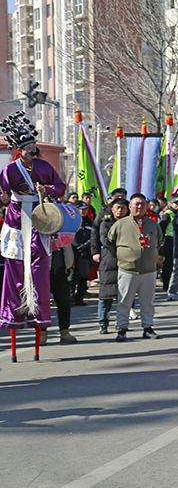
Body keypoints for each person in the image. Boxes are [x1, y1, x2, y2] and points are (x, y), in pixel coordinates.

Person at [0, 111, 66, 350]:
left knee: (39, 267)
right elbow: (2, 194)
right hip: (17, 220)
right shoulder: (9, 170)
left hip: (40, 219)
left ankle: (40, 316)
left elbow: (60, 187)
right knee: (15, 268)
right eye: (28, 147)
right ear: (19, 150)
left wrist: (46, 187)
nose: (32, 150)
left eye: (33, 146)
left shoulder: (44, 166)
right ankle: (14, 313)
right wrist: (4, 197)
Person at [106, 193, 163, 341]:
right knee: (124, 301)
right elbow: (110, 243)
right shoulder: (120, 224)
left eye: (142, 204)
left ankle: (148, 328)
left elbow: (160, 242)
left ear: (147, 206)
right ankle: (122, 328)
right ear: (130, 207)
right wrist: (124, 256)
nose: (139, 207)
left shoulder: (153, 224)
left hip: (149, 270)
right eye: (136, 204)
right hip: (127, 270)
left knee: (148, 302)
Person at [96, 198, 128, 333]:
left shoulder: (131, 223)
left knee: (124, 296)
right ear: (112, 209)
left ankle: (121, 323)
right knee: (105, 296)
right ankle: (103, 323)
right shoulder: (105, 222)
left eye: (123, 208)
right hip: (108, 260)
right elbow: (105, 239)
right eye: (117, 207)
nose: (120, 210)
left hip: (126, 261)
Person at [71, 201, 94, 306]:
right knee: (71, 277)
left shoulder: (89, 223)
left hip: (84, 253)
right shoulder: (71, 221)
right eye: (81, 209)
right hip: (73, 253)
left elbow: (93, 236)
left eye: (85, 209)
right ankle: (71, 298)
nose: (84, 211)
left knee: (83, 276)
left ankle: (79, 298)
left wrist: (86, 245)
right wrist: (76, 245)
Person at [158, 197, 178, 292]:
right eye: (175, 203)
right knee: (168, 264)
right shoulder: (168, 214)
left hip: (177, 241)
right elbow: (161, 228)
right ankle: (166, 284)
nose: (177, 205)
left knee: (175, 264)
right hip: (168, 241)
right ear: (170, 204)